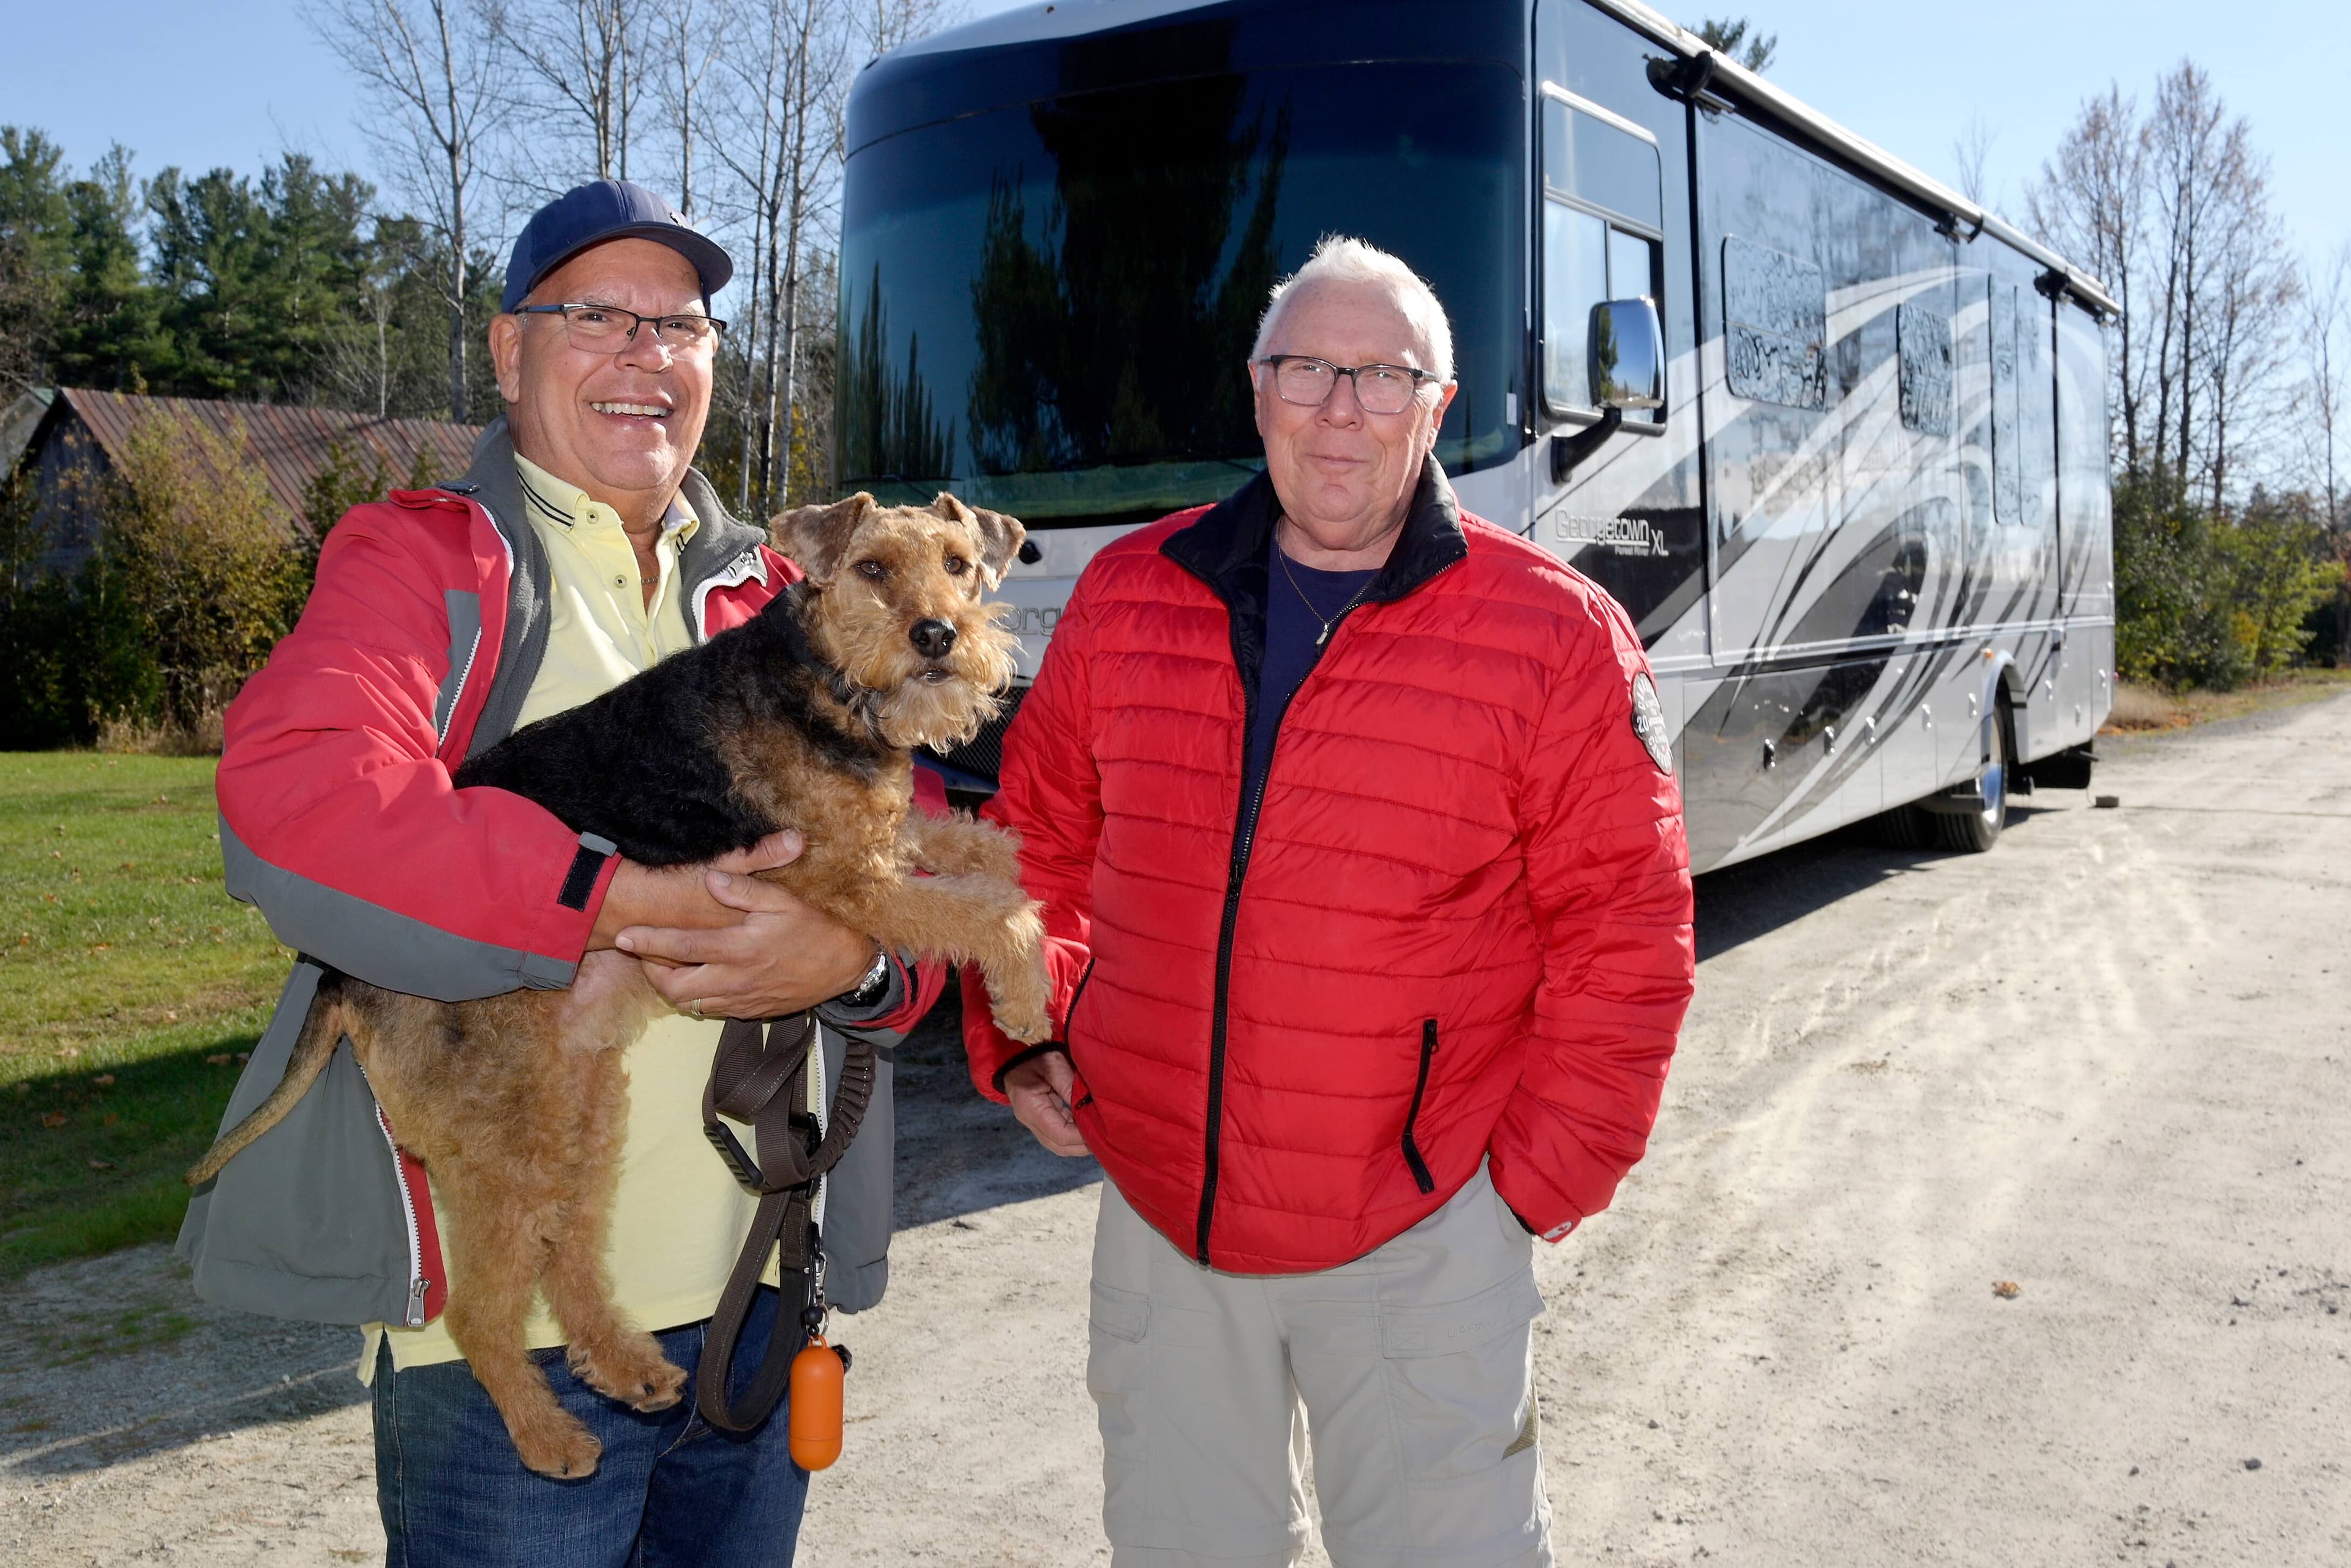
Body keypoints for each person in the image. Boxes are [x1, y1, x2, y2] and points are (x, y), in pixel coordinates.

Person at [177, 179, 941, 1567]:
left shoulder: (805, 590)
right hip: (505, 1352)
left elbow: (918, 877)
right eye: (599, 314)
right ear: (508, 347)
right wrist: (615, 898)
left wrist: (862, 960)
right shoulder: (427, 562)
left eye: (682, 324)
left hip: (759, 1306)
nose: (648, 353)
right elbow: (300, 805)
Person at [961, 236, 1697, 1567]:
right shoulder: (1133, 596)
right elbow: (1035, 846)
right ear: (1257, 392)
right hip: (1164, 1225)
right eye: (1307, 368)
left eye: (1381, 375)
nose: (1339, 407)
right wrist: (1028, 1031)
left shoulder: (1555, 635)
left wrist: (1523, 1192)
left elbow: (1626, 940)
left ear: (1437, 407)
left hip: (1420, 1237)